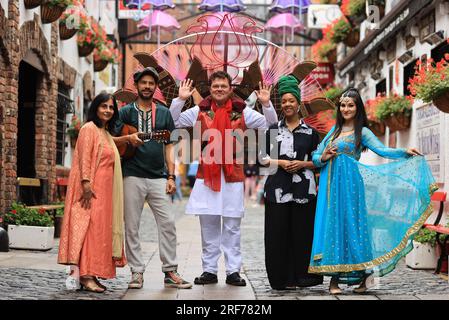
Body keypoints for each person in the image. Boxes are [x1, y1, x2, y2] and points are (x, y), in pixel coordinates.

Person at [309, 88, 437, 294]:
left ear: (358, 108)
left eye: (350, 105)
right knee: (334, 227)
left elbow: (382, 150)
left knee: (353, 227)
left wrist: (404, 152)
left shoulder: (363, 132)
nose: (346, 109)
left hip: (351, 187)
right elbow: (315, 156)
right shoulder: (334, 131)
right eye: (343, 105)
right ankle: (334, 281)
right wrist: (323, 156)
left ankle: (365, 277)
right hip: (331, 187)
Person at [170, 72, 278, 286]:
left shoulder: (242, 111)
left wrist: (266, 104)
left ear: (230, 89)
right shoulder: (198, 111)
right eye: (215, 86)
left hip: (233, 175)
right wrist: (181, 99)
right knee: (208, 225)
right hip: (206, 176)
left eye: (223, 86)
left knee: (232, 225)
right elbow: (173, 121)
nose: (219, 89)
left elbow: (270, 125)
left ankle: (232, 271)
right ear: (210, 89)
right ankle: (209, 270)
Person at [112, 67, 192, 289]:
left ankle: (170, 271)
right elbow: (113, 140)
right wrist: (129, 137)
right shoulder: (125, 112)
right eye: (143, 83)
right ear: (136, 85)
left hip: (158, 177)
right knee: (132, 226)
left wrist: (171, 176)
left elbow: (169, 146)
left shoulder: (165, 113)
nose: (147, 86)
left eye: (151, 83)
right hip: (131, 175)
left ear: (155, 87)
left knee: (167, 223)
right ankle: (136, 272)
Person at [260, 75, 323, 290]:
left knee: (302, 234)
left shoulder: (312, 133)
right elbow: (261, 160)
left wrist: (302, 165)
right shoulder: (270, 130)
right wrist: (282, 163)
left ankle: (303, 278)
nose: (287, 105)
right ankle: (281, 279)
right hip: (277, 190)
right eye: (284, 101)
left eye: (291, 101)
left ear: (298, 103)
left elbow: (319, 161)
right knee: (277, 235)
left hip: (304, 191)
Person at [58, 93, 126, 293]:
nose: (108, 110)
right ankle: (86, 275)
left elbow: (108, 146)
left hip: (105, 192)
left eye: (111, 107)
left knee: (99, 233)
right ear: (95, 107)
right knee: (90, 232)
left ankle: (93, 273)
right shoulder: (89, 128)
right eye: (103, 106)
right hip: (92, 190)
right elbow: (84, 158)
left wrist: (128, 139)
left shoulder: (103, 132)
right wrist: (86, 184)